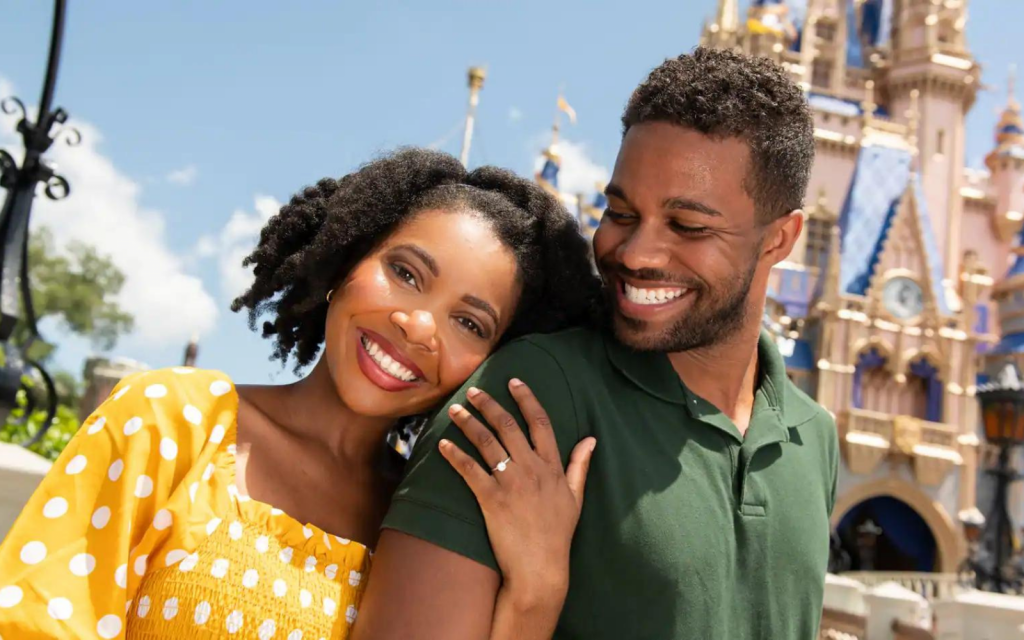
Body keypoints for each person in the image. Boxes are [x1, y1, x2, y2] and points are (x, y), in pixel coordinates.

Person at [0, 148, 602, 639]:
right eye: (406, 273)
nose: (418, 327)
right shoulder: (177, 418)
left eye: (469, 323)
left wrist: (537, 591)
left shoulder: (426, 519)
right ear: (347, 255)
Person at [355, 47, 840, 640]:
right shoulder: (531, 395)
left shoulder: (812, 436)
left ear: (780, 239)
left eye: (687, 226)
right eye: (620, 211)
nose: (635, 254)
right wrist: (537, 595)